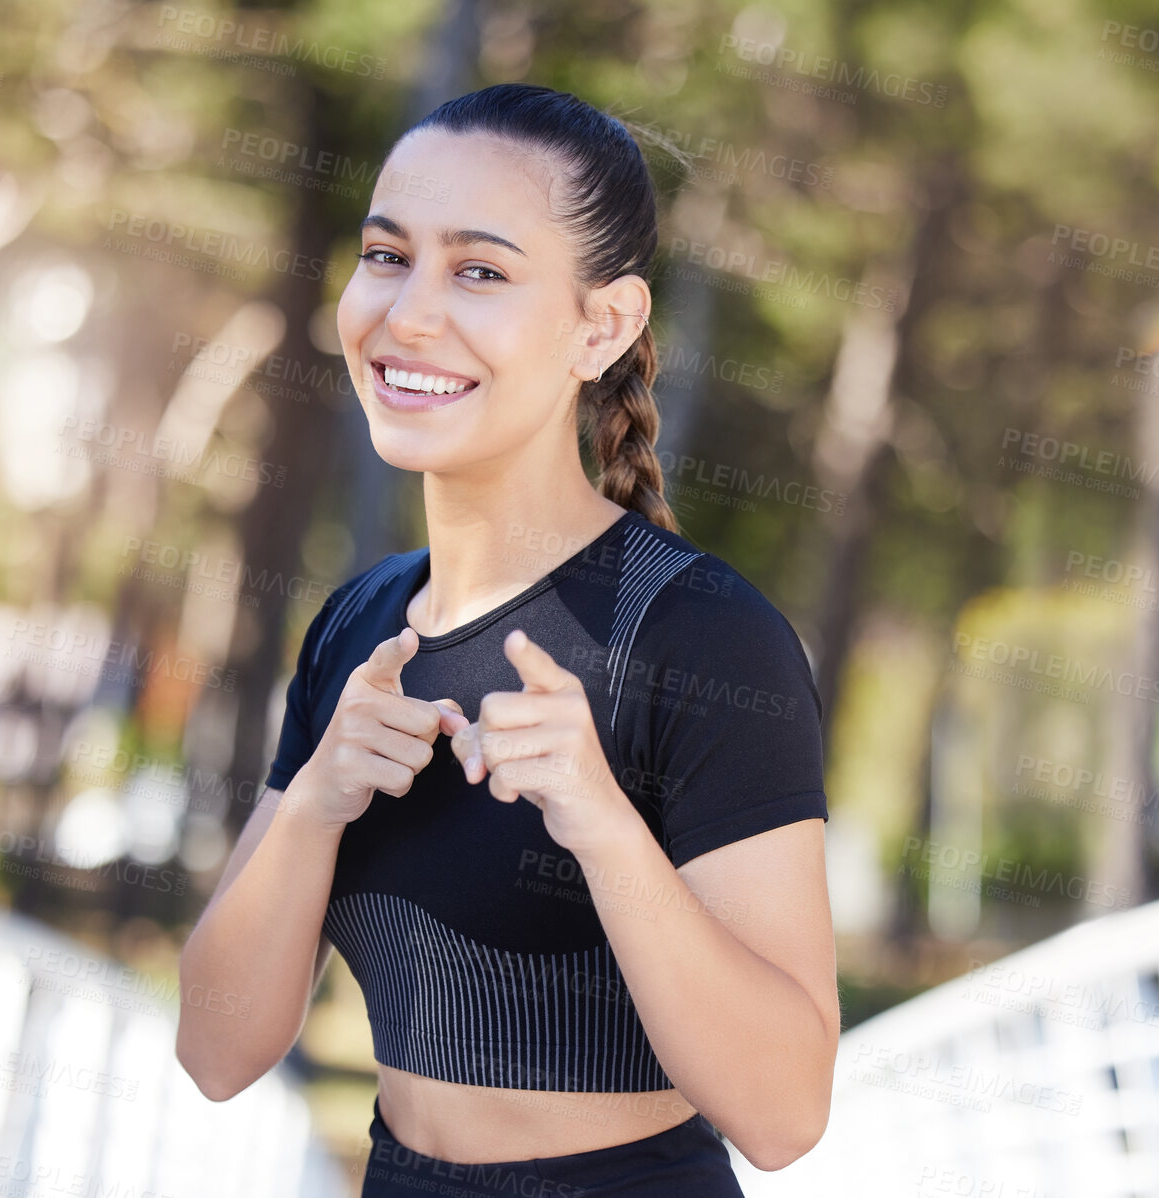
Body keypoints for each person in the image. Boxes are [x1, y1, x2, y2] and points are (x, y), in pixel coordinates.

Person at [176, 82, 838, 1197]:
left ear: (604, 325)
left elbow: (784, 1115)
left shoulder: (701, 638)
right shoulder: (358, 629)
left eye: (479, 271)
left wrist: (603, 826)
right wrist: (313, 804)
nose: (410, 314)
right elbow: (216, 1049)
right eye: (387, 256)